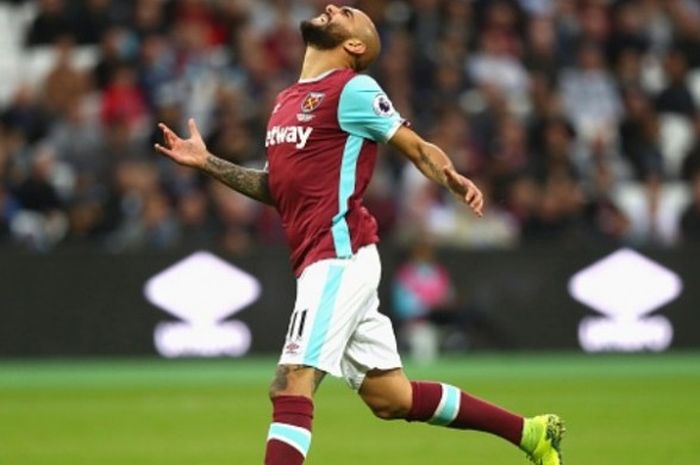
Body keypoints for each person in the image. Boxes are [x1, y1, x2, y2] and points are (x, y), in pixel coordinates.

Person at [154, 5, 565, 465]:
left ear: (355, 46)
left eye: (345, 13)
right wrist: (207, 162)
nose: (331, 7)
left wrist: (450, 176)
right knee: (392, 397)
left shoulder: (353, 89)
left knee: (291, 381)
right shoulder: (287, 100)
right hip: (322, 257)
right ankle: (530, 434)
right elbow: (277, 188)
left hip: (339, 253)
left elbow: (415, 145)